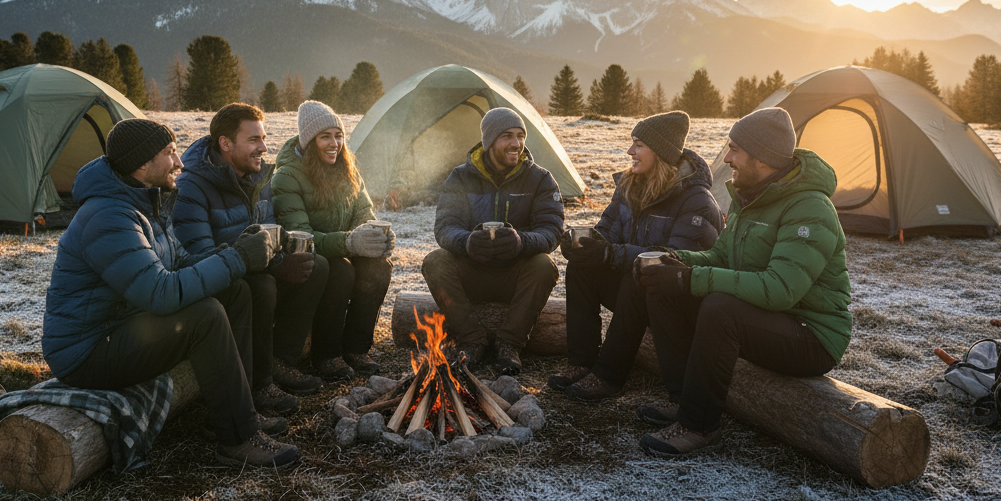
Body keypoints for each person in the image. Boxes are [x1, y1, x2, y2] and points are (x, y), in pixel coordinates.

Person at [42, 118, 300, 469]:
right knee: (204, 315)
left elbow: (181, 261)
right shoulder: (108, 217)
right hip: (87, 351)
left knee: (236, 291)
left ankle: (240, 407)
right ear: (142, 164)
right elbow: (160, 293)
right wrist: (238, 258)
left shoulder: (144, 203)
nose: (179, 162)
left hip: (123, 325)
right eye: (170, 153)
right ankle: (238, 439)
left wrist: (236, 253)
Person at [635, 107, 851, 456]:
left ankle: (697, 425)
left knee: (721, 308)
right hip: (768, 320)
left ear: (762, 158)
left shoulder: (810, 208)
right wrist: (675, 261)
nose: (727, 157)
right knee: (665, 288)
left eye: (734, 149)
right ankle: (682, 400)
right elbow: (721, 258)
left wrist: (690, 278)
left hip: (812, 334)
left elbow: (780, 289)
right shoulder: (749, 196)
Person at [553, 111, 724, 400]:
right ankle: (581, 361)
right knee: (581, 268)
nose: (630, 151)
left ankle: (609, 375)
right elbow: (606, 231)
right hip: (633, 287)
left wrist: (610, 255)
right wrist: (584, 245)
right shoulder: (630, 186)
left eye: (639, 145)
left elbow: (675, 260)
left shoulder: (696, 201)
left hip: (673, 301)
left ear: (660, 152)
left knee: (641, 278)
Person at [172, 103, 329, 410]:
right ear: (225, 144)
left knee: (317, 267)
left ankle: (281, 360)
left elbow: (267, 230)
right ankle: (259, 384)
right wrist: (274, 264)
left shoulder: (256, 176)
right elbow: (199, 254)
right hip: (218, 280)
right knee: (261, 286)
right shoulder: (192, 186)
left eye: (264, 138)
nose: (264, 147)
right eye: (254, 140)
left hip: (252, 265)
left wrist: (285, 252)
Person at [422, 107, 564, 375]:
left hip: (515, 275)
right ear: (489, 142)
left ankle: (509, 345)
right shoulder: (461, 177)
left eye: (521, 136)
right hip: (471, 272)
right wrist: (467, 242)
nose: (516, 144)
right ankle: (472, 341)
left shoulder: (540, 179)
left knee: (544, 265)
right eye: (507, 136)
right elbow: (445, 227)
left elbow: (551, 231)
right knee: (435, 261)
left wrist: (521, 242)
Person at [271, 101, 393, 381]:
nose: (334, 144)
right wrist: (350, 243)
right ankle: (327, 355)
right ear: (309, 140)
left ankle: (356, 349)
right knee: (339, 269)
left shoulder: (346, 168)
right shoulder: (288, 176)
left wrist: (376, 234)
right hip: (313, 256)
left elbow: (363, 211)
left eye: (338, 135)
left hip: (341, 246)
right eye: (325, 136)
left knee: (379, 267)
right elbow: (300, 235)